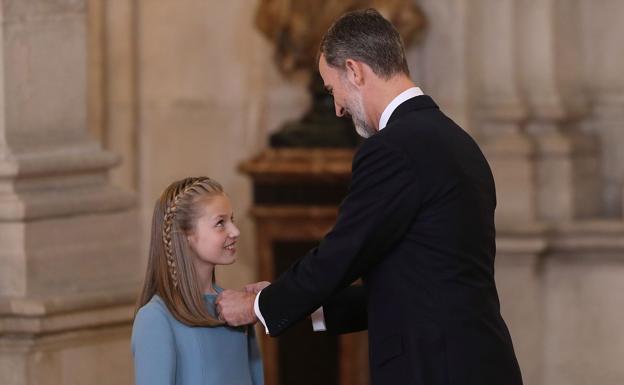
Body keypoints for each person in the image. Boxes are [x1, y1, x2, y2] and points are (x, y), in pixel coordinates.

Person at [216, 8, 523, 385]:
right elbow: (417, 284)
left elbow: (340, 254)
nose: (338, 108)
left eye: (333, 89)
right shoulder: (457, 142)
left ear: (355, 71)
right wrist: (293, 301)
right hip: (478, 363)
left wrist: (257, 306)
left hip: (434, 369)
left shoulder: (393, 149)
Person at [131, 177, 264, 385]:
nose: (235, 232)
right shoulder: (156, 319)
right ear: (185, 235)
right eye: (220, 223)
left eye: (232, 219)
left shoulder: (236, 310)